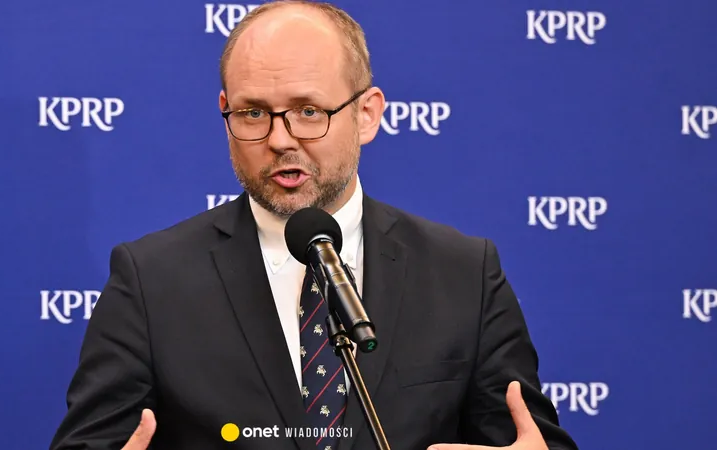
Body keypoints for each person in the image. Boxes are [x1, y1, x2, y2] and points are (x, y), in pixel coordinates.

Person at [49, 1, 579, 449]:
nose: (280, 139)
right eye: (253, 113)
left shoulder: (464, 273)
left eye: (308, 111)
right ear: (225, 112)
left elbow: (530, 439)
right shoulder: (150, 279)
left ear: (367, 114)